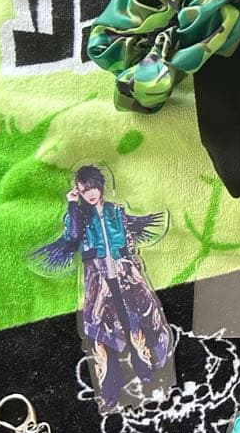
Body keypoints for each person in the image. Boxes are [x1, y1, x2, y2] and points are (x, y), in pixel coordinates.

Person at [33, 165, 172, 412]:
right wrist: (72, 204)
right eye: (84, 190)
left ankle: (145, 366)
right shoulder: (79, 215)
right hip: (97, 279)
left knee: (133, 318)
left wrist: (131, 263)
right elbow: (72, 235)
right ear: (78, 191)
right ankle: (110, 384)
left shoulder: (115, 210)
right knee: (100, 327)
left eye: (93, 187)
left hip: (123, 274)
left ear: (101, 186)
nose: (90, 193)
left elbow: (127, 238)